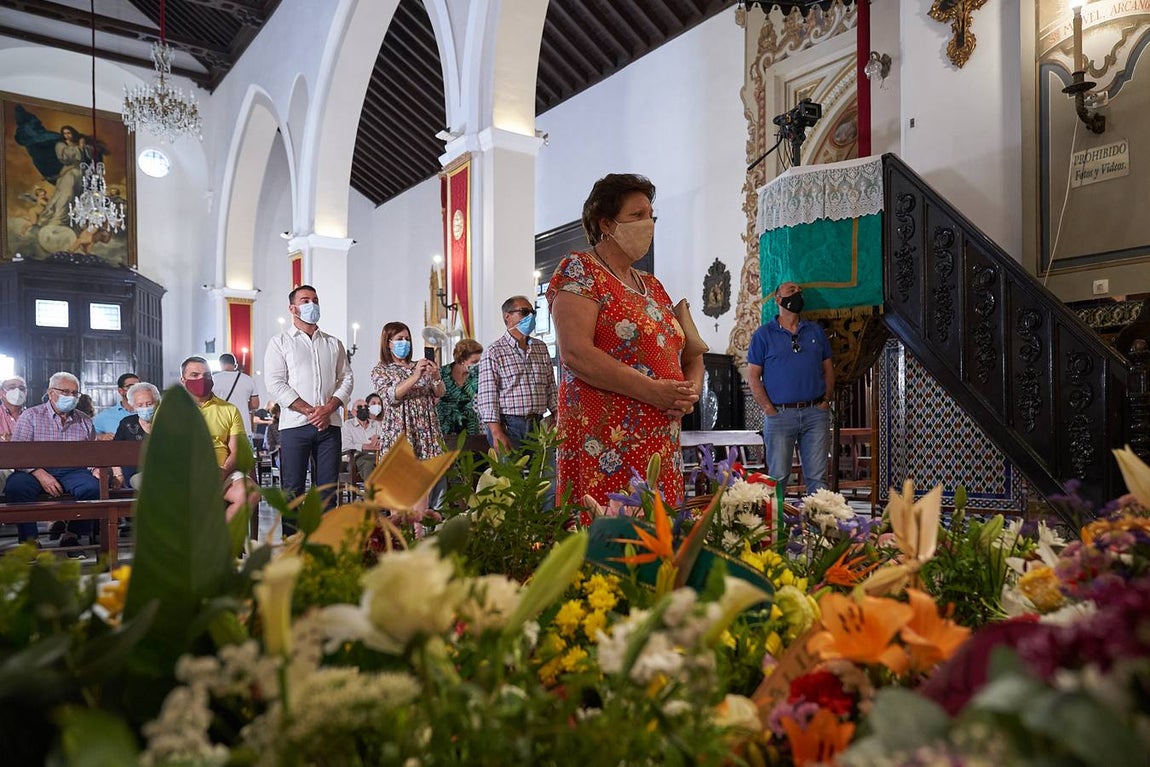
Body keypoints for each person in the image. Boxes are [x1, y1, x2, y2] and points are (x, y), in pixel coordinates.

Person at [547, 173, 701, 507]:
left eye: (650, 215)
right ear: (605, 223)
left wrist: (689, 391)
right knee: (609, 537)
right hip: (606, 438)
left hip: (660, 436)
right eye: (636, 216)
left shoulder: (653, 286)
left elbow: (691, 351)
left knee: (656, 539)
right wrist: (654, 391)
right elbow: (576, 353)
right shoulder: (581, 270)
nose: (648, 224)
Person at [264, 285, 354, 515]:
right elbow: (275, 383)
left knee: (328, 491)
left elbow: (346, 378)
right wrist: (309, 411)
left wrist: (329, 408)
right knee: (292, 491)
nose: (311, 304)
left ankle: (326, 544)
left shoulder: (334, 343)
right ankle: (291, 544)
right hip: (295, 426)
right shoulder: (280, 342)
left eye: (315, 300)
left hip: (329, 425)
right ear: (292, 308)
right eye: (305, 301)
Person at [745, 281, 835, 496]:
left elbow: (828, 370)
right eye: (791, 291)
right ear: (778, 299)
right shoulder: (763, 335)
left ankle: (818, 527)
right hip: (780, 415)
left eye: (799, 291)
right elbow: (753, 376)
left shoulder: (814, 331)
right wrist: (768, 408)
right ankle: (776, 529)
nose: (797, 294)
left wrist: (826, 401)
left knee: (817, 478)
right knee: (777, 478)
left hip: (815, 413)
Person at [3, 371, 98, 549]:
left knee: (92, 488)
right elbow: (17, 453)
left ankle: (72, 535)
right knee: (16, 487)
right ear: (51, 392)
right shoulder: (31, 416)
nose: (71, 397)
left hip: (73, 471)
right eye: (65, 392)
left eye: (74, 393)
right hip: (34, 470)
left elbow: (91, 454)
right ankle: (29, 542)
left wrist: (96, 469)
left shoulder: (84, 420)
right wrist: (39, 473)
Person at [180, 357, 259, 521]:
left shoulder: (228, 409)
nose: (202, 380)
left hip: (222, 471)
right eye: (195, 375)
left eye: (207, 375)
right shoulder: (170, 411)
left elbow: (237, 450)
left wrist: (222, 471)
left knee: (250, 492)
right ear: (183, 380)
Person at [476, 298, 558, 453]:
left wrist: (557, 414)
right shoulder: (495, 351)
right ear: (508, 316)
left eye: (533, 312)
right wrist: (496, 432)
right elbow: (488, 397)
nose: (531, 317)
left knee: (542, 475)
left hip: (538, 424)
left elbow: (550, 386)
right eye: (524, 312)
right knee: (511, 476)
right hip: (510, 425)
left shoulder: (540, 348)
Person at [370, 321, 446, 462]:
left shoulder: (419, 365)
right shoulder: (381, 370)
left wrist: (436, 375)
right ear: (388, 343)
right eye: (400, 339)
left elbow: (440, 393)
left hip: (427, 429)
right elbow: (391, 396)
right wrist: (415, 376)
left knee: (433, 478)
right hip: (400, 430)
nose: (405, 343)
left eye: (407, 339)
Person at [111, 381, 160, 490]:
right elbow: (113, 451)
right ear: (133, 406)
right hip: (135, 473)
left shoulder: (168, 423)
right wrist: (117, 474)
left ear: (157, 402)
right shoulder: (127, 424)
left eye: (149, 404)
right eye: (140, 405)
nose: (145, 408)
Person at [437, 339, 484, 450]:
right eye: (474, 362)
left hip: (470, 422)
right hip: (445, 422)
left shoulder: (478, 374)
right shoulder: (442, 372)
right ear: (462, 359)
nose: (477, 365)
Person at [342, 394, 387, 481]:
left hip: (376, 456)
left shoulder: (375, 424)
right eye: (360, 407)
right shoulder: (348, 425)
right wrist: (364, 446)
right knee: (368, 465)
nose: (363, 408)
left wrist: (379, 440)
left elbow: (383, 440)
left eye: (365, 406)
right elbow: (345, 445)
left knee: (390, 462)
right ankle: (370, 493)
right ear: (354, 412)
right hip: (357, 458)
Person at [214, 353, 259, 440]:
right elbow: (255, 405)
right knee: (243, 453)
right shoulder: (248, 380)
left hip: (220, 427)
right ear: (235, 364)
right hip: (242, 427)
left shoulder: (213, 379)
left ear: (220, 364)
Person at [93, 372, 139, 438]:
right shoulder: (105, 416)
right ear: (120, 391)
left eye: (138, 387)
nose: (135, 390)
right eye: (130, 387)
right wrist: (100, 436)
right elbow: (89, 435)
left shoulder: (148, 413)